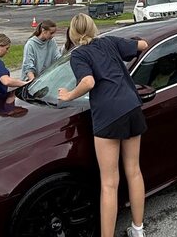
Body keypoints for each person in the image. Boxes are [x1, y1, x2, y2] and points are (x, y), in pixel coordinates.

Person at [58, 14, 149, 237]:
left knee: (109, 183)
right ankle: (138, 230)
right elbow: (143, 45)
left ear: (72, 33)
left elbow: (88, 81)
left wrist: (69, 95)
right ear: (93, 27)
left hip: (108, 114)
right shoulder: (109, 42)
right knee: (134, 171)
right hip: (131, 106)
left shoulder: (78, 54)